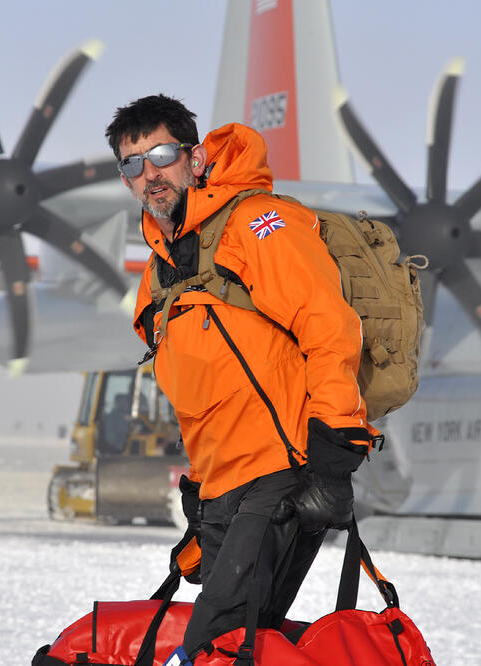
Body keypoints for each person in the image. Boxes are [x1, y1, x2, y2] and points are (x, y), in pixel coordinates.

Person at [105, 94, 378, 658]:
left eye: (159, 153)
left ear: (195, 156)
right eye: (131, 163)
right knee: (248, 644)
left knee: (214, 646)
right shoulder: (161, 271)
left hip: (285, 472)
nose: (149, 173)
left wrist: (334, 453)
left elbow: (328, 326)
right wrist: (203, 495)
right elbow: (202, 389)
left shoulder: (256, 223)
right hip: (226, 488)